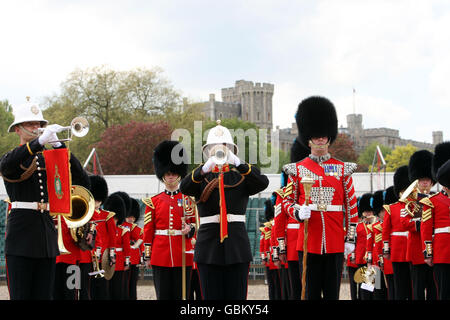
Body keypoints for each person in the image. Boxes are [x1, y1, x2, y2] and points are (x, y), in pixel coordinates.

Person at [0, 97, 90, 300]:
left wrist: (58, 145)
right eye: (30, 124)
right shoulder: (12, 157)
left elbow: (83, 181)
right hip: (22, 238)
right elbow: (7, 166)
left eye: (39, 124)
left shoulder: (49, 158)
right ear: (18, 129)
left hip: (46, 238)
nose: (36, 127)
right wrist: (38, 142)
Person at [180, 121, 269, 300]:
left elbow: (262, 181)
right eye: (214, 146)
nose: (219, 149)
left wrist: (237, 162)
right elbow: (185, 187)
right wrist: (205, 168)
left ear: (231, 149)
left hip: (236, 246)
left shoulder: (240, 176)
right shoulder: (201, 177)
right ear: (208, 150)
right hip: (208, 248)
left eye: (224, 146)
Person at [282, 96, 358, 300]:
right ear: (308, 138)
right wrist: (297, 212)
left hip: (334, 241)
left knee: (332, 293)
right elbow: (286, 203)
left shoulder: (342, 169)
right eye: (316, 135)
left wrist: (350, 237)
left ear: (329, 136)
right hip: (308, 240)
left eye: (324, 135)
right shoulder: (297, 170)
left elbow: (351, 207)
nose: (321, 138)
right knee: (310, 293)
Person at [143, 140, 196, 300]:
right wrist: (147, 255)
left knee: (183, 296)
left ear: (179, 174)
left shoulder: (189, 199)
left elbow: (195, 223)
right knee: (163, 295)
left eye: (173, 173)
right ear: (162, 175)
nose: (171, 176)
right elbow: (148, 230)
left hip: (183, 253)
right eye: (167, 173)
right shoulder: (153, 202)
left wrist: (190, 229)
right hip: (160, 254)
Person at [273, 138, 310, 300]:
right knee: (296, 288)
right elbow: (279, 224)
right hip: (294, 246)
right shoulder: (284, 194)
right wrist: (281, 248)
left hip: (314, 242)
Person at [399, 150, 437, 300]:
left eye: (428, 179)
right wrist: (422, 224)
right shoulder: (410, 200)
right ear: (416, 181)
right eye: (421, 179)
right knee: (418, 289)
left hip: (433, 249)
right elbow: (404, 222)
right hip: (416, 250)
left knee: (434, 289)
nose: (425, 182)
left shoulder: (436, 199)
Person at [420, 141, 450, 299]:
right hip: (443, 252)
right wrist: (428, 253)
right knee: (444, 292)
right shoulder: (432, 201)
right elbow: (426, 229)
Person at [382, 165, 412, 300]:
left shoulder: (414, 206)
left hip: (411, 249)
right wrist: (386, 249)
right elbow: (386, 231)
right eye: (404, 190)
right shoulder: (391, 208)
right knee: (399, 284)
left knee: (412, 284)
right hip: (397, 251)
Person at [89, 174, 116, 300]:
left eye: (98, 199)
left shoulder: (107, 216)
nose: (96, 202)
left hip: (102, 257)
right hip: (87, 255)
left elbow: (112, 237)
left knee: (102, 289)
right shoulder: (85, 214)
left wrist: (111, 254)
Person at [103, 192, 131, 300]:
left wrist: (126, 261)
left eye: (115, 218)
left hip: (118, 261)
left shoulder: (123, 230)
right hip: (105, 260)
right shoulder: (105, 229)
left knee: (118, 288)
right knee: (106, 289)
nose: (113, 220)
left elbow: (127, 247)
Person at [123, 198, 144, 300]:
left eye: (132, 217)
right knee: (124, 282)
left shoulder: (137, 229)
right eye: (128, 216)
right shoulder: (123, 226)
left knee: (132, 282)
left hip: (134, 258)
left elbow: (141, 242)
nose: (131, 219)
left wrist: (142, 256)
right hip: (124, 257)